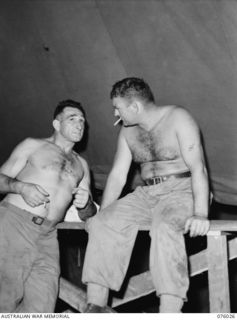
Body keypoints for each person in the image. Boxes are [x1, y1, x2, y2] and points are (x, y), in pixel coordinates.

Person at [82, 77, 210, 313]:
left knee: (164, 226)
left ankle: (170, 309)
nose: (115, 113)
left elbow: (198, 168)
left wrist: (201, 213)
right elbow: (118, 176)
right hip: (147, 193)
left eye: (117, 107)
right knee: (103, 222)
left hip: (182, 189)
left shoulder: (179, 118)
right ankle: (96, 307)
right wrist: (103, 212)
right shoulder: (127, 131)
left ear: (135, 107)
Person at [0, 99, 97, 312]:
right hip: (14, 224)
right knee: (4, 299)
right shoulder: (33, 145)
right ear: (56, 124)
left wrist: (86, 204)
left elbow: (88, 214)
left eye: (82, 120)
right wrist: (20, 187)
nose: (80, 124)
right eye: (73, 119)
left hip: (48, 236)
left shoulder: (82, 165)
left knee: (42, 307)